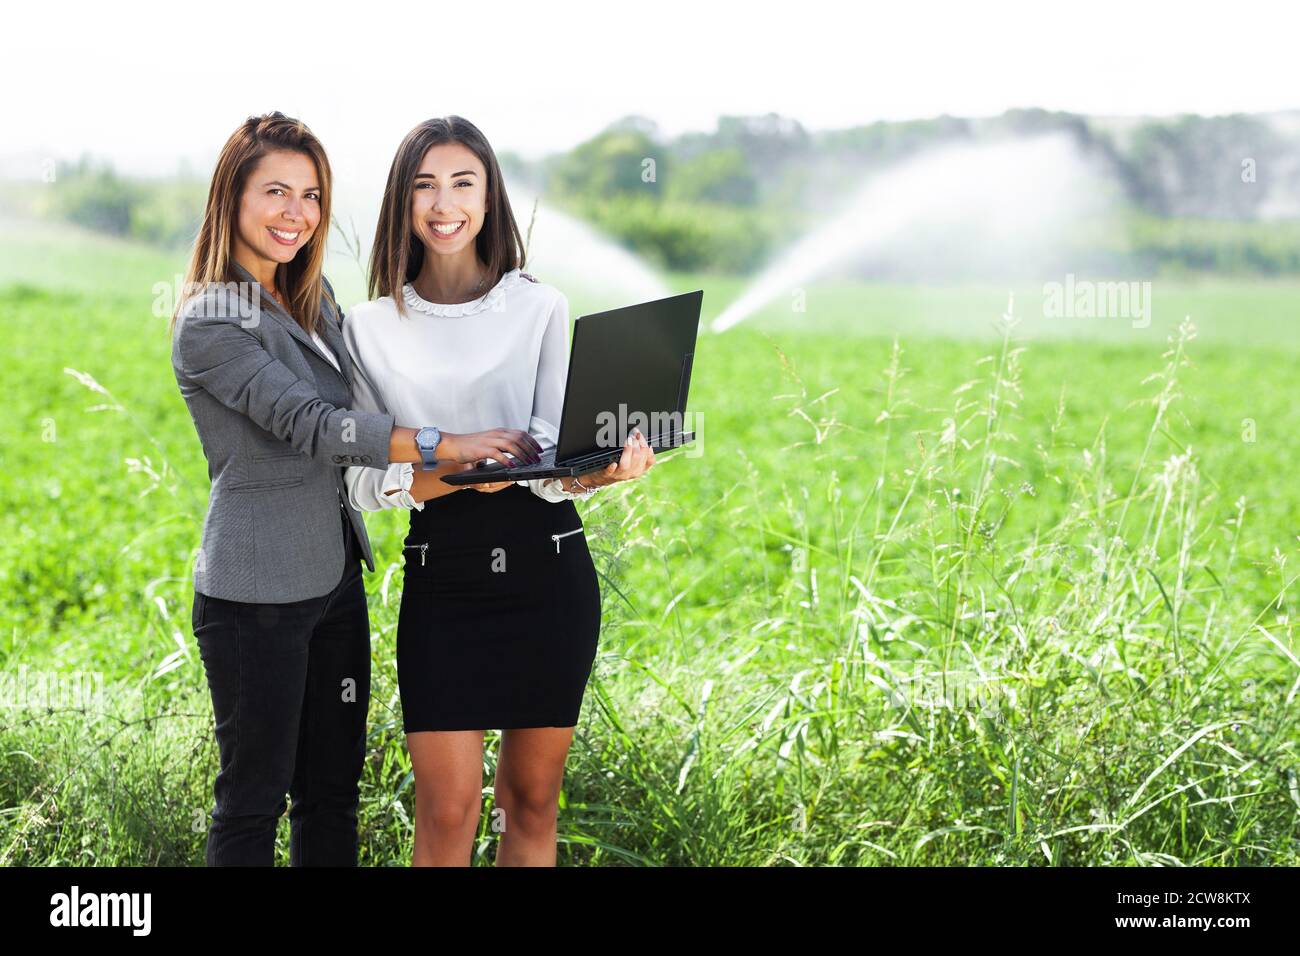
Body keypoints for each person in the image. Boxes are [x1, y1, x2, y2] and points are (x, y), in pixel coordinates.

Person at [169, 111, 542, 866]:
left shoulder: (312, 299)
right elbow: (312, 423)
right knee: (252, 802)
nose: (296, 214)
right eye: (276, 191)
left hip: (334, 581)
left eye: (310, 196)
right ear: (231, 198)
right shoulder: (211, 318)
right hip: (255, 599)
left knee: (332, 796)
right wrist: (447, 443)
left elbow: (370, 402)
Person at [341, 116, 654, 866]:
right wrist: (460, 466)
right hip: (442, 580)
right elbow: (358, 480)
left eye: (462, 183)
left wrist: (602, 470)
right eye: (424, 186)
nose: (443, 204)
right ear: (402, 202)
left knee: (529, 805)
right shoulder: (368, 326)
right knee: (446, 813)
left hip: (548, 571)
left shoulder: (539, 306)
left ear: (489, 198)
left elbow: (553, 456)